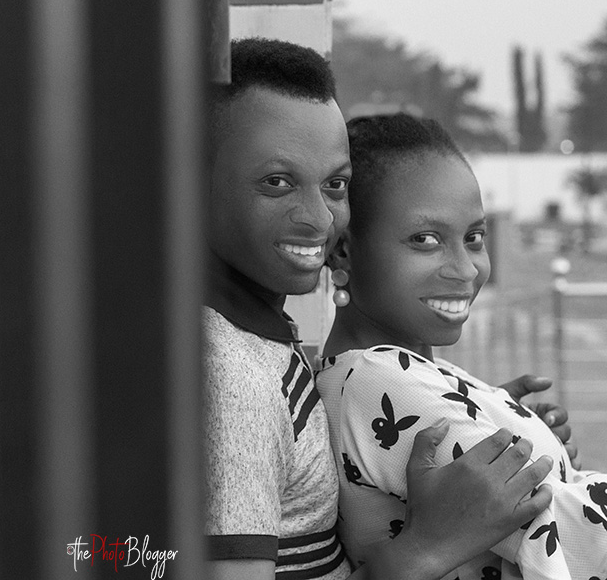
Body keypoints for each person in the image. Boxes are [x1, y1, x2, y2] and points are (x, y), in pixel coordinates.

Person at [204, 38, 565, 580]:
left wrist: (475, 416)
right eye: (277, 183)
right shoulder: (229, 377)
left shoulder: (255, 342)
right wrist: (429, 547)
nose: (320, 219)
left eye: (335, 185)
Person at [315, 113, 606, 580]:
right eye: (425, 240)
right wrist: (552, 470)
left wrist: (510, 420)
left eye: (473, 238)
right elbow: (569, 530)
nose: (467, 269)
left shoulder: (392, 371)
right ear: (343, 250)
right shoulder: (377, 380)